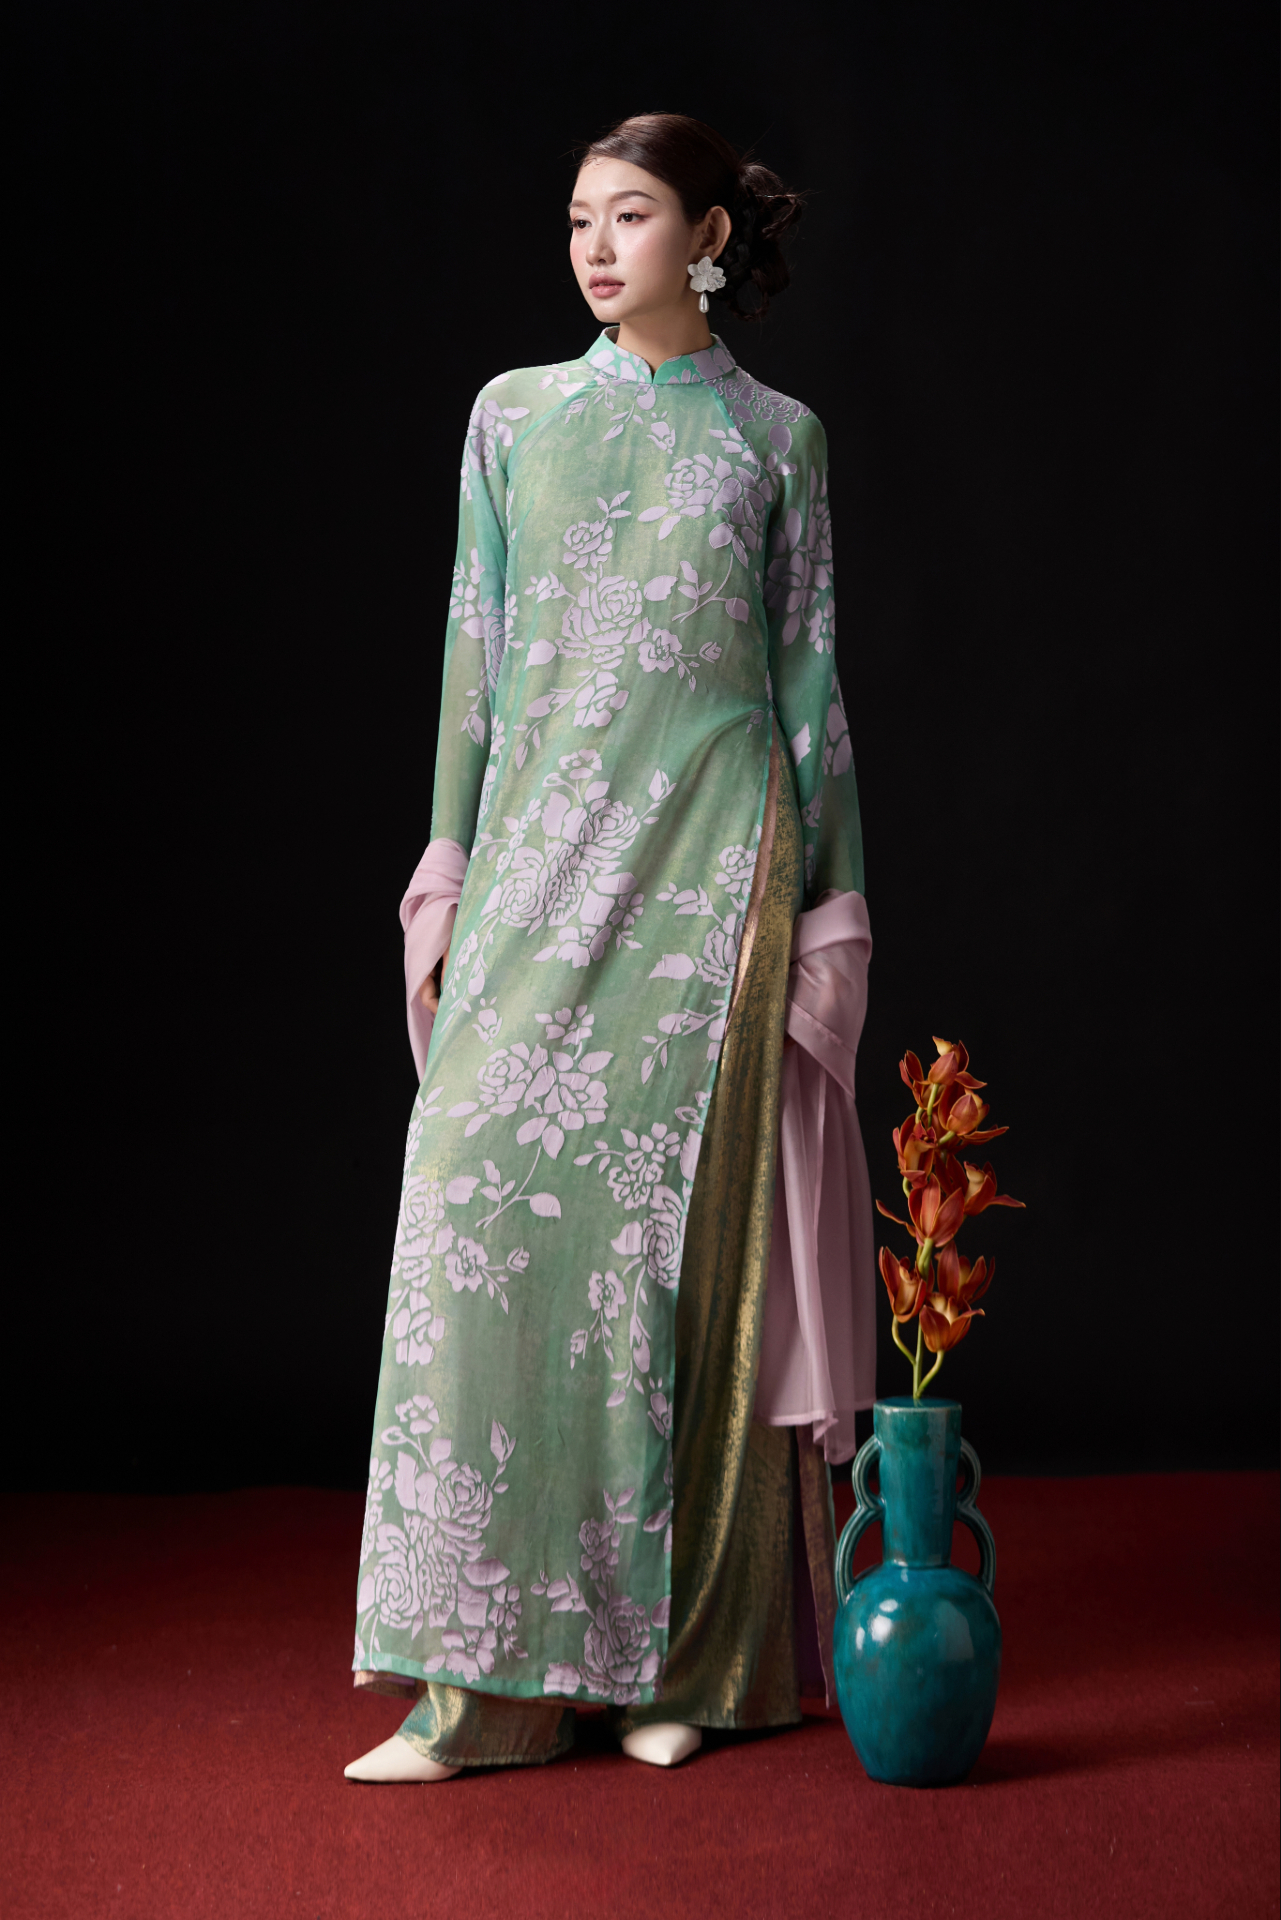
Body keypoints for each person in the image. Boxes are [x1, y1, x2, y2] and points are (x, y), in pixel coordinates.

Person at [346, 112, 876, 1784]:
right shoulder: (512, 417)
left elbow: (808, 690)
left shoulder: (775, 440)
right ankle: (477, 1690)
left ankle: (692, 1670)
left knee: (683, 1259)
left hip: (714, 869)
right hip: (537, 866)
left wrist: (830, 922)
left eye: (630, 215)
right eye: (579, 216)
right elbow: (473, 656)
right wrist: (445, 879)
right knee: (479, 1212)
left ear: (704, 235)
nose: (593, 245)